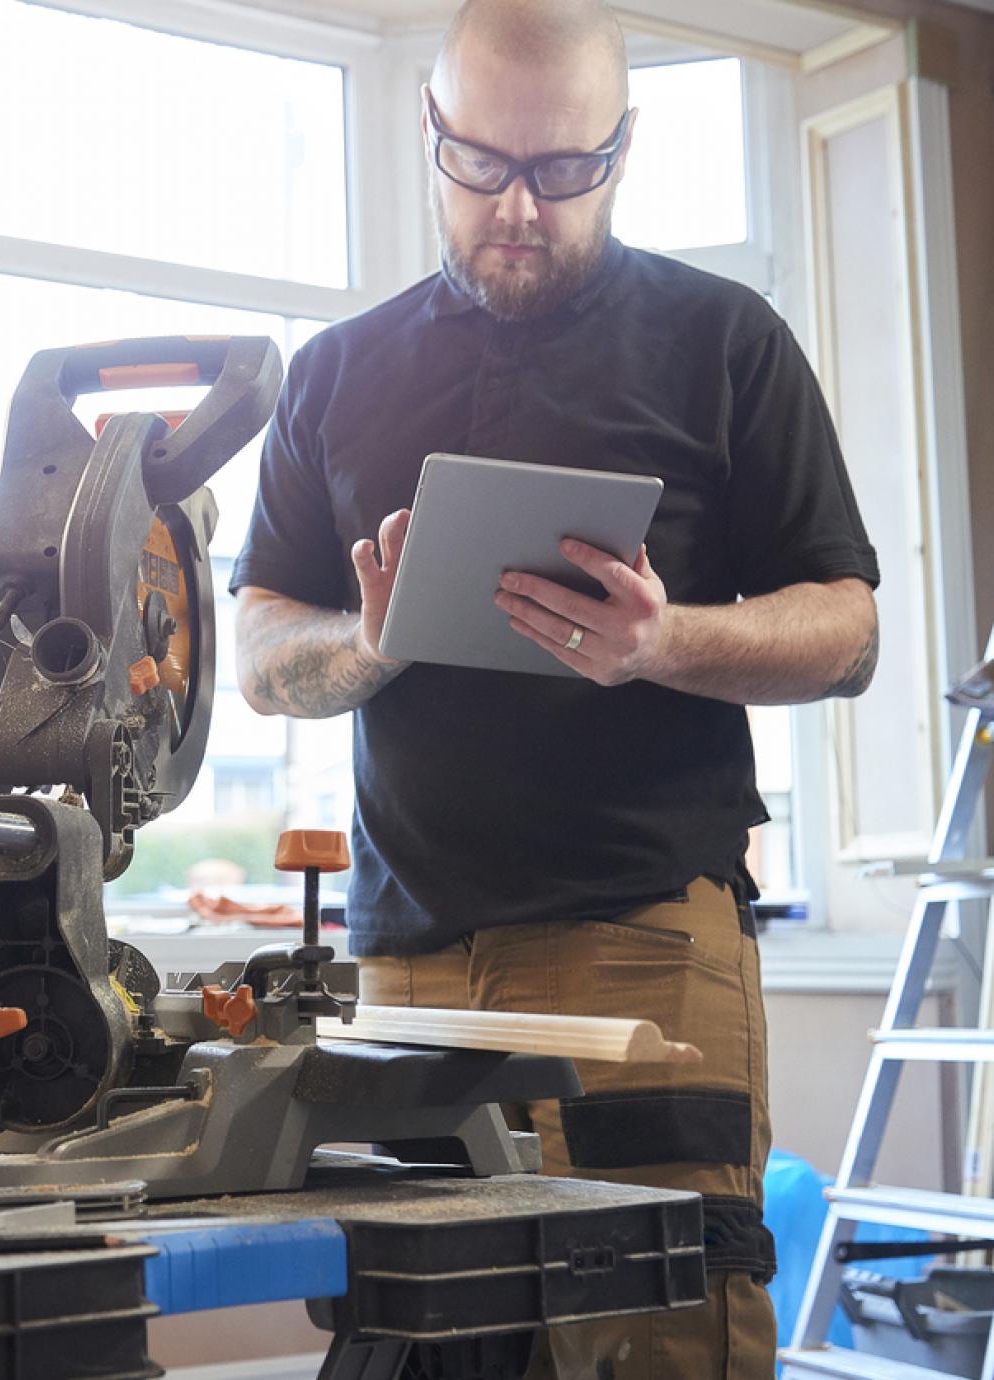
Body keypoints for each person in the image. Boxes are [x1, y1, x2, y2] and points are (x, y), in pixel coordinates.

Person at [228, 0, 879, 1373]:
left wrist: (663, 645)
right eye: (483, 166)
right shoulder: (336, 375)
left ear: (625, 148)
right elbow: (260, 658)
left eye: (565, 170)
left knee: (659, 1332)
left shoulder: (726, 342)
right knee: (427, 1349)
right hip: (406, 967)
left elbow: (847, 630)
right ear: (430, 132)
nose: (520, 207)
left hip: (644, 939)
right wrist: (376, 643)